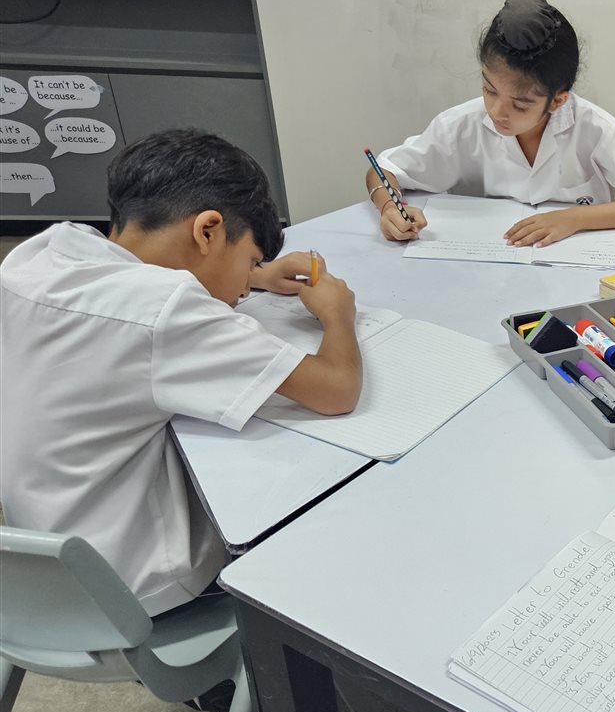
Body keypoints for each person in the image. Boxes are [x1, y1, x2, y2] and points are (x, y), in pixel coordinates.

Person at [0, 129, 362, 617]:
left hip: (40, 560)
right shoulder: (167, 310)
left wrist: (253, 273)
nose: (244, 291)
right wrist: (337, 313)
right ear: (207, 230)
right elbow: (337, 389)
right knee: (308, 518)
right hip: (133, 588)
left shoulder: (45, 251)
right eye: (250, 260)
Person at [367, 0, 615, 246]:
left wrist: (573, 218)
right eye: (489, 90)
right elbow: (383, 171)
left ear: (558, 100)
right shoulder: (461, 124)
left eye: (521, 105)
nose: (497, 111)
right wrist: (390, 207)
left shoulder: (595, 128)